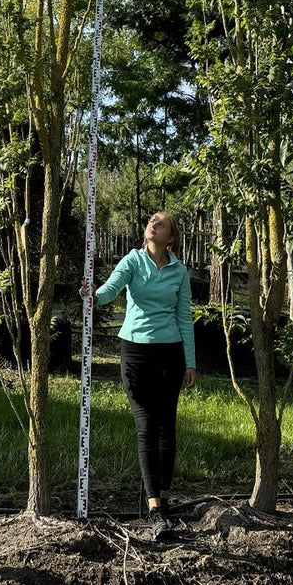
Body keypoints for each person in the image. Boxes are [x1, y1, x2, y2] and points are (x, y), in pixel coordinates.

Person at [80, 210, 196, 539]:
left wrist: (190, 362)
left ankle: (167, 501)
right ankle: (155, 507)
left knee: (166, 427)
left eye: (161, 223)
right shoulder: (133, 261)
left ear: (170, 238)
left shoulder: (179, 271)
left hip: (170, 354)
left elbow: (184, 317)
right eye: (151, 221)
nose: (153, 224)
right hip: (136, 353)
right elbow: (110, 289)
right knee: (146, 425)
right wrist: (93, 294)